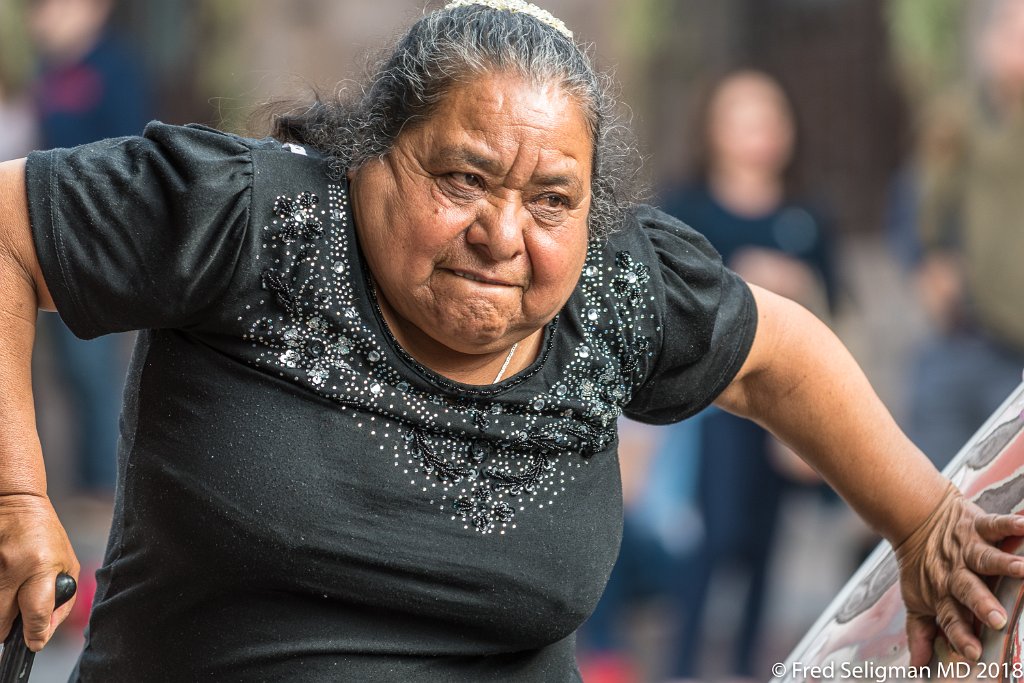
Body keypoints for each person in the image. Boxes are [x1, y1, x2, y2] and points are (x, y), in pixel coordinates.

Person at [0, 2, 1020, 680]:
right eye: (462, 178)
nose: (503, 234)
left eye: (550, 199)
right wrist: (17, 494)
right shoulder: (251, 214)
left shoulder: (616, 288)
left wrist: (923, 518)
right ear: (368, 155)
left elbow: (777, 349)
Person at [660, 69, 836, 678]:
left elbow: (836, 313)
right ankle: (680, 664)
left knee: (767, 543)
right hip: (708, 408)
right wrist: (736, 276)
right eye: (742, 118)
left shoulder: (807, 219)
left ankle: (746, 664)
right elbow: (662, 304)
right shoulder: (681, 209)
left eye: (769, 118)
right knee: (711, 538)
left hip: (784, 407)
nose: (758, 133)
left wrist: (801, 284)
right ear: (712, 128)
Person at [29, 0, 152, 496]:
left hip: (93, 247)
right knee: (62, 375)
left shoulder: (114, 71)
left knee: (93, 373)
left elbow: (133, 160)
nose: (40, 17)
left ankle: (102, 494)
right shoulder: (46, 72)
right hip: (42, 243)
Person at [903, 0, 1024, 468]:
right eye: (1013, 34)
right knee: (942, 488)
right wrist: (929, 265)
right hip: (967, 336)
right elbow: (917, 211)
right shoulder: (955, 118)